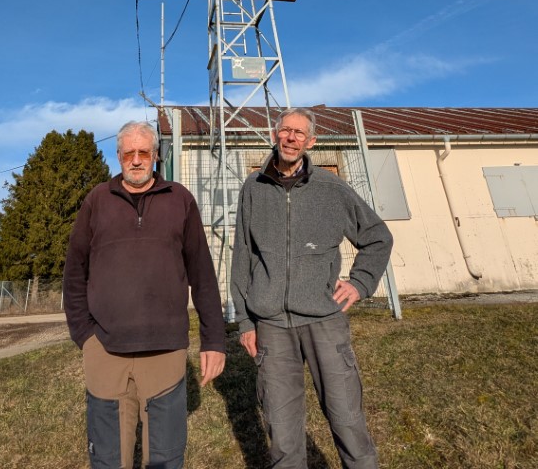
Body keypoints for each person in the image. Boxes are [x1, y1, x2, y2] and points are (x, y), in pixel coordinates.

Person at [231, 107, 393, 469]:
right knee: (283, 432)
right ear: (275, 134)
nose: (290, 138)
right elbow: (242, 254)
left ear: (311, 142)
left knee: (347, 420)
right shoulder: (253, 188)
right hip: (270, 325)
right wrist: (245, 321)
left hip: (324, 319)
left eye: (299, 133)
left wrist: (360, 283)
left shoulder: (332, 189)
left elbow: (378, 238)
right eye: (285, 130)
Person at [64, 120, 226, 469]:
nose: (136, 160)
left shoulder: (179, 199)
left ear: (155, 156)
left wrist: (213, 340)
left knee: (166, 460)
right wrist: (85, 335)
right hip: (106, 352)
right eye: (128, 153)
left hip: (166, 353)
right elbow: (74, 271)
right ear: (118, 155)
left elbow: (202, 273)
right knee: (108, 460)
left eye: (143, 153)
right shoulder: (97, 200)